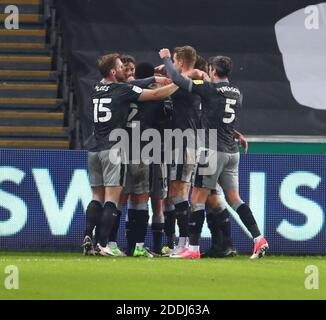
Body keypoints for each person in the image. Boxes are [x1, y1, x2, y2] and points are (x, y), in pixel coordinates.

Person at [159, 48, 269, 259]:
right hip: (231, 152)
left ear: (212, 69)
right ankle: (258, 238)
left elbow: (175, 78)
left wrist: (165, 57)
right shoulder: (237, 92)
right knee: (235, 200)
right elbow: (220, 116)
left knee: (197, 198)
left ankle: (192, 248)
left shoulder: (208, 89)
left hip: (212, 150)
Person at [82, 53, 178, 256]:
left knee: (96, 197)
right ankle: (103, 244)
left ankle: (88, 235)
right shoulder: (122, 90)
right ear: (113, 71)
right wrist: (180, 82)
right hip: (114, 149)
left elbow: (132, 83)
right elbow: (154, 95)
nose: (125, 70)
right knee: (112, 199)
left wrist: (153, 79)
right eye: (120, 67)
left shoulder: (95, 87)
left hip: (94, 149)